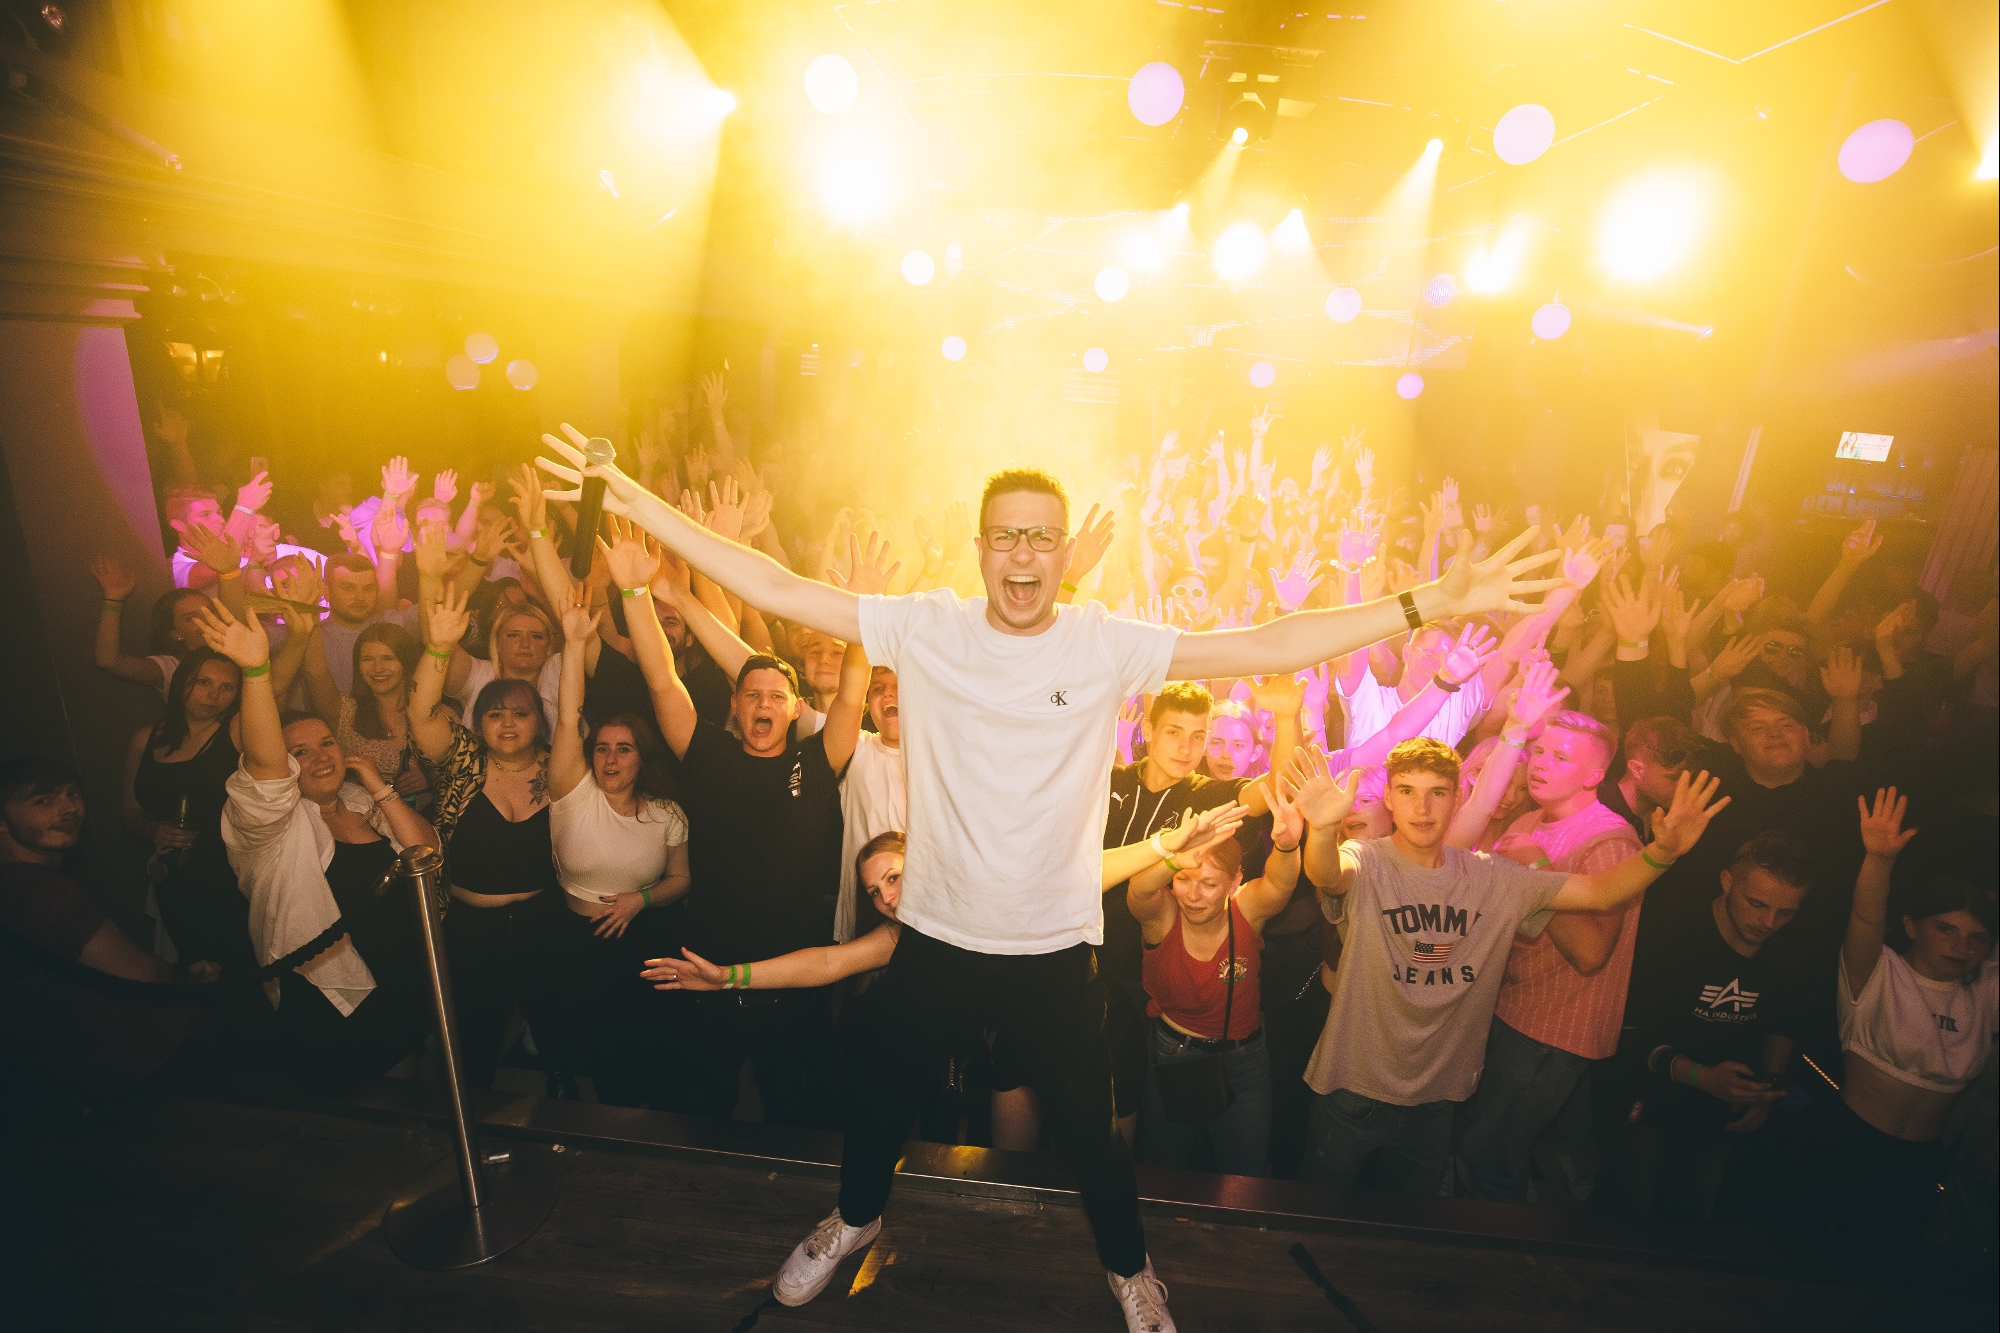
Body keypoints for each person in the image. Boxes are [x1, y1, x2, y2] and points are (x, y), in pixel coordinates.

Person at [538, 425, 1563, 1332]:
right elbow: (778, 586)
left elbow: (1265, 641)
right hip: (937, 935)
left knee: (1091, 1134)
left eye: (1041, 536)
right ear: (979, 547)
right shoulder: (926, 626)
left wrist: (1428, 601)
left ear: (1063, 552)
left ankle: (1130, 1271)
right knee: (880, 1096)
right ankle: (852, 1219)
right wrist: (632, 498)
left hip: (1051, 947)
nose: (1022, 553)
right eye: (1005, 535)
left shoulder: (1104, 643)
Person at [1291, 735, 1726, 1196]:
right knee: (1318, 1208)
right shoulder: (1366, 860)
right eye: (1407, 791)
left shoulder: (1494, 877)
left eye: (1437, 792)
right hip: (1353, 1086)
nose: (1422, 807)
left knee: (1411, 1221)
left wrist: (1663, 853)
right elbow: (1327, 874)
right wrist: (1321, 830)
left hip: (1436, 1099)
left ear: (1456, 799)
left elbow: (1600, 893)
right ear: (1389, 799)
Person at [601, 515, 867, 1127]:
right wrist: (636, 592)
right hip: (705, 968)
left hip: (795, 977)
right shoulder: (709, 754)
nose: (763, 703)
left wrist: (859, 614)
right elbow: (661, 677)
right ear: (735, 705)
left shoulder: (817, 760)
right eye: (751, 695)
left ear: (795, 709)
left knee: (796, 1117)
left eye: (776, 696)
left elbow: (853, 696)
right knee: (702, 1110)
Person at [195, 602, 439, 1084]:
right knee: (349, 1105)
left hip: (398, 976)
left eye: (327, 743)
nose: (320, 757)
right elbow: (266, 770)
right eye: (299, 752)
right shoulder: (266, 827)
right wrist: (257, 673)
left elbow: (427, 854)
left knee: (405, 1093)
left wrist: (377, 785)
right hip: (327, 990)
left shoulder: (358, 800)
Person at [1777, 790, 1996, 1245]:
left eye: (1976, 938)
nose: (1961, 946)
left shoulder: (1985, 990)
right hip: (1842, 1141)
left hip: (1917, 1160)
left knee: (1881, 1277)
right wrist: (1879, 859)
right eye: (1945, 929)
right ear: (1912, 926)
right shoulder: (1878, 971)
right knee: (1796, 1258)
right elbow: (1864, 916)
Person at [1452, 707, 1645, 1203]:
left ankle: (1491, 1249)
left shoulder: (1611, 841)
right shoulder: (1530, 819)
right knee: (1555, 1154)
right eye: (1539, 751)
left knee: (1488, 1158)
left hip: (1554, 1031)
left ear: (1594, 775)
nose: (1540, 763)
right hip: (1515, 1009)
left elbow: (1591, 953)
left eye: (1561, 757)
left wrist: (1537, 868)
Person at [409, 584, 569, 1092]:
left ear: (539, 722)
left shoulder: (559, 769)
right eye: (495, 713)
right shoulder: (463, 763)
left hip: (545, 922)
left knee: (556, 1031)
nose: (508, 723)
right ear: (477, 723)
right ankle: (468, 1120)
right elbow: (420, 714)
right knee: (474, 1036)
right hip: (472, 928)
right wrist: (438, 648)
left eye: (521, 713)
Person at [546, 570, 692, 1107]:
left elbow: (681, 879)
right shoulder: (572, 792)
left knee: (641, 1056)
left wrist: (640, 900)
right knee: (586, 1053)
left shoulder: (666, 813)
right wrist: (574, 642)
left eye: (623, 749)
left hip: (643, 941)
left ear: (641, 758)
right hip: (575, 942)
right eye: (602, 748)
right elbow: (568, 719)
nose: (610, 758)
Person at [1619, 830, 1815, 1222]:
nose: (1769, 922)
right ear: (1727, 881)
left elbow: (1784, 1018)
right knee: (1629, 1213)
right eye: (1756, 904)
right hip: (1650, 1104)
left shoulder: (1792, 949)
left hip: (1724, 1115)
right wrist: (1703, 1077)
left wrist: (1767, 1087)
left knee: (1697, 1217)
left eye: (1786, 913)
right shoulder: (1671, 933)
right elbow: (1632, 1032)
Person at [1125, 776, 1305, 1177]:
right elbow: (1138, 892)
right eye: (1183, 880)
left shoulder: (1245, 910)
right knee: (1166, 1172)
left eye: (1208, 884)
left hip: (1246, 1062)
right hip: (1174, 1057)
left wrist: (1287, 844)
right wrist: (1174, 858)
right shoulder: (1162, 915)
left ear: (1234, 883)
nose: (1193, 895)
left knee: (1244, 1177)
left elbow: (1279, 885)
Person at [0, 758, 209, 1103]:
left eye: (72, 794)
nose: (69, 808)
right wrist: (191, 980)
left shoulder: (16, 885)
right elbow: (141, 975)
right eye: (43, 800)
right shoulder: (42, 892)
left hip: (70, 1078)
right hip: (128, 1070)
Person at [121, 649, 251, 975]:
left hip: (232, 880)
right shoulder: (144, 739)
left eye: (227, 687)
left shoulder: (236, 731)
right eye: (203, 682)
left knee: (242, 974)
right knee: (197, 975)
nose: (214, 694)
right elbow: (131, 810)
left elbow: (277, 687)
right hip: (176, 884)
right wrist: (151, 829)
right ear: (181, 683)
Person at [306, 623, 434, 811]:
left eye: (388, 658)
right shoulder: (347, 711)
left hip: (424, 819)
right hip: (363, 820)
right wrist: (310, 621)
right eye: (367, 659)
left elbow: (463, 773)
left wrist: (433, 776)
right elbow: (315, 672)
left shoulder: (435, 713)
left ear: (406, 662)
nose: (377, 668)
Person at [835, 665, 905, 944]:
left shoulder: (941, 753)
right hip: (864, 918)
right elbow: (787, 705)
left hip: (926, 916)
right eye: (877, 688)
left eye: (898, 686)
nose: (888, 693)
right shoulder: (856, 747)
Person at [90, 557, 209, 699]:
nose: (207, 620)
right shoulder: (172, 668)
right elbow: (109, 662)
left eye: (210, 611)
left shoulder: (231, 647)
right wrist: (113, 598)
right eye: (190, 618)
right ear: (175, 634)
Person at [313, 553, 420, 696]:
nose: (360, 597)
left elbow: (434, 611)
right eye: (349, 588)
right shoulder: (311, 638)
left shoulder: (392, 626)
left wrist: (431, 577)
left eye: (368, 589)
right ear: (326, 592)